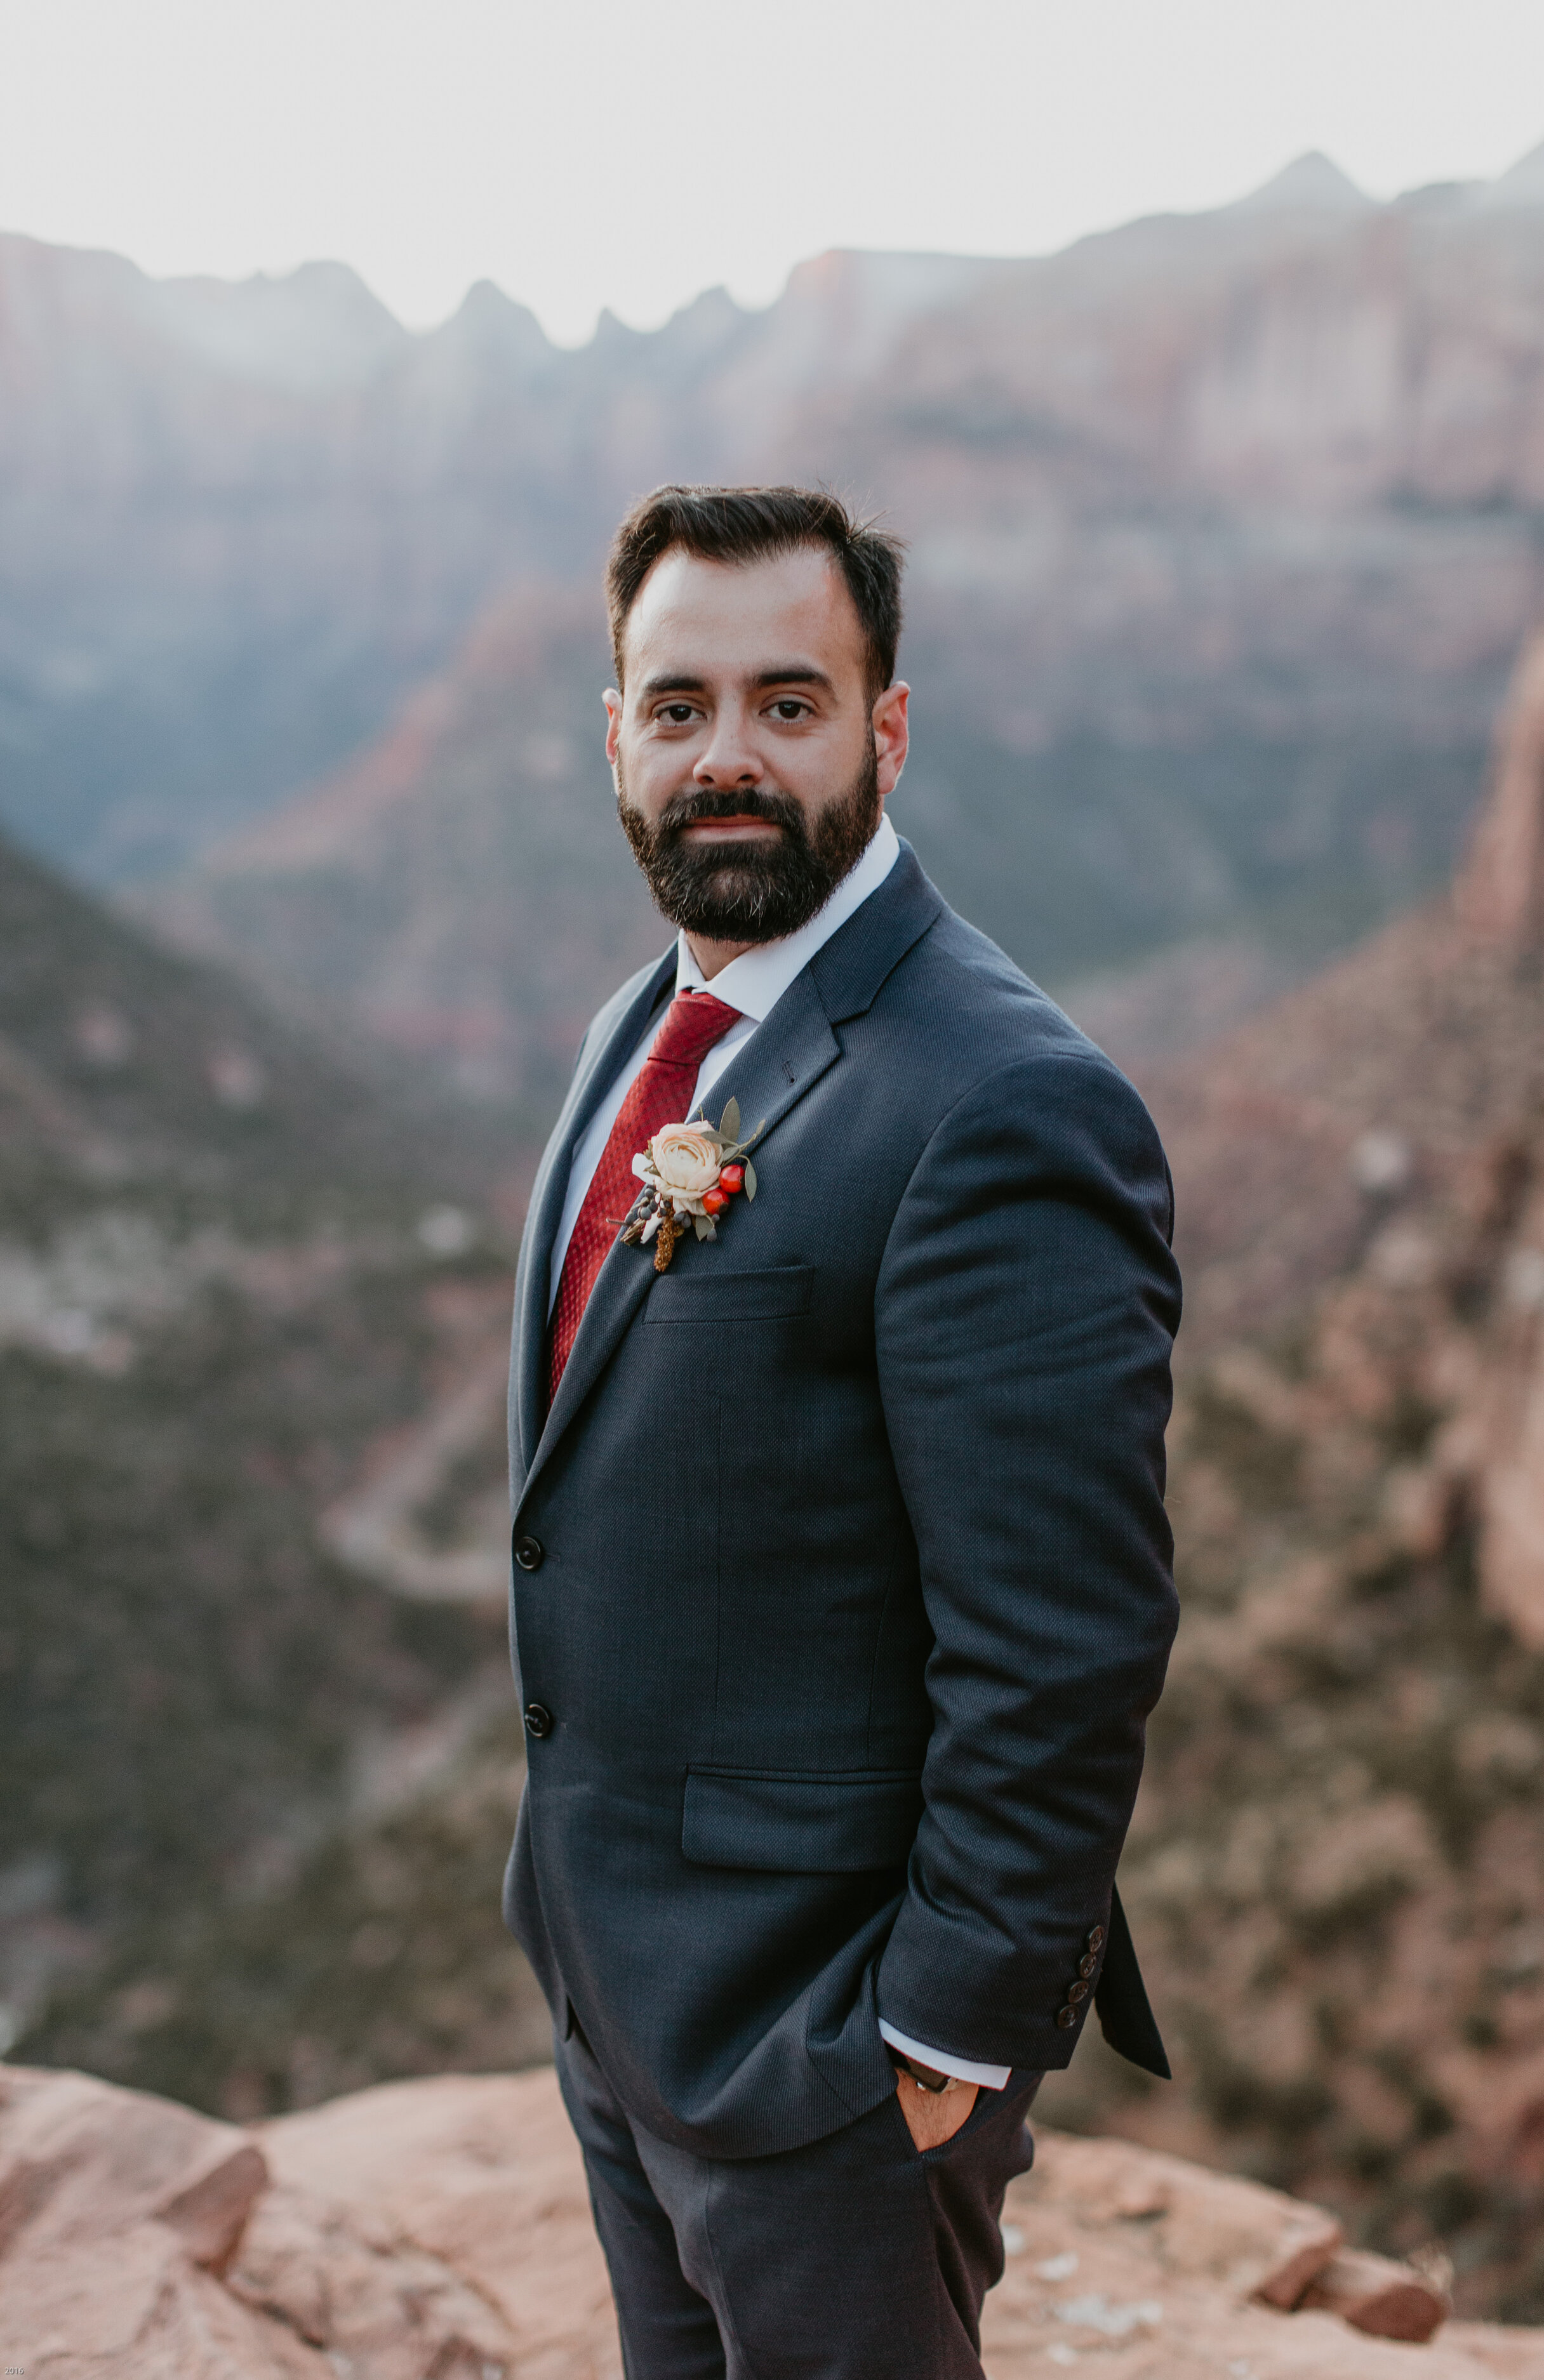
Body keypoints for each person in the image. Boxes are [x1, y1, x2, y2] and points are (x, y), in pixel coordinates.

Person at [504, 484, 1180, 2378]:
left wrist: (939, 2048)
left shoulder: (1003, 1105)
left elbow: (1064, 1632)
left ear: (885, 731)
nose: (726, 756)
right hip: (618, 1997)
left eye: (788, 705)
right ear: (613, 733)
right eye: (677, 705)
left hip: (826, 2069)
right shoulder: (641, 1033)